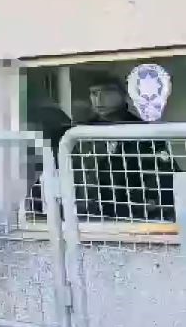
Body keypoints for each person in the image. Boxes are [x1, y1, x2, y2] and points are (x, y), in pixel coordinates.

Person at [74, 72, 178, 222]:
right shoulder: (81, 132)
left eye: (107, 92)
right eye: (94, 93)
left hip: (133, 216)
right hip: (89, 214)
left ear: (123, 95)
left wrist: (150, 203)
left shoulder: (142, 131)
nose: (99, 99)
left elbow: (163, 175)